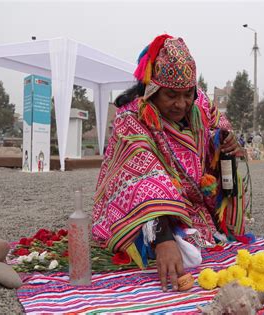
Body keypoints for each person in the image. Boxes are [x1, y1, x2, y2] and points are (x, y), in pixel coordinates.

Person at [91, 34, 248, 291]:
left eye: (188, 94)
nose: (181, 104)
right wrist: (162, 239)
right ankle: (160, 229)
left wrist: (228, 143)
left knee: (199, 241)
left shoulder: (200, 106)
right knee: (157, 242)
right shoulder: (131, 118)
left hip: (192, 206)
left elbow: (222, 128)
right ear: (152, 90)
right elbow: (142, 176)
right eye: (171, 95)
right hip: (139, 205)